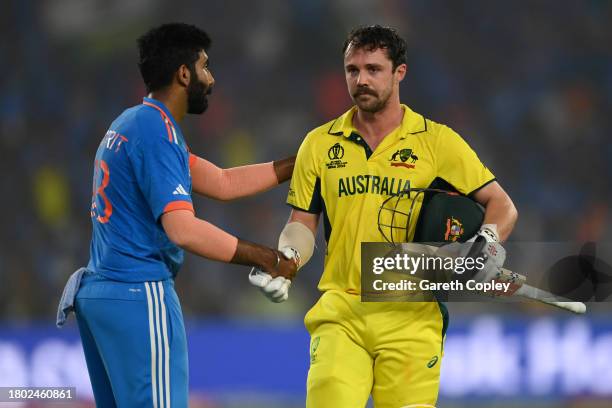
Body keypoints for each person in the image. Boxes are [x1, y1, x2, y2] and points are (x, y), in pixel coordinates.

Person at [250, 25, 518, 407]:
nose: (361, 80)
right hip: (342, 311)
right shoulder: (320, 143)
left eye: (373, 69)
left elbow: (502, 205)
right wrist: (288, 259)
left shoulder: (436, 142)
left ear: (399, 73)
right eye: (352, 70)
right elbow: (302, 222)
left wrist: (485, 244)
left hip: (412, 314)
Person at [57, 23, 297, 407]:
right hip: (138, 293)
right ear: (184, 73)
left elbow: (222, 182)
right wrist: (267, 258)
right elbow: (182, 229)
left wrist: (297, 164)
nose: (212, 78)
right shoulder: (157, 133)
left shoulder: (133, 123)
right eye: (205, 67)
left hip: (101, 295)